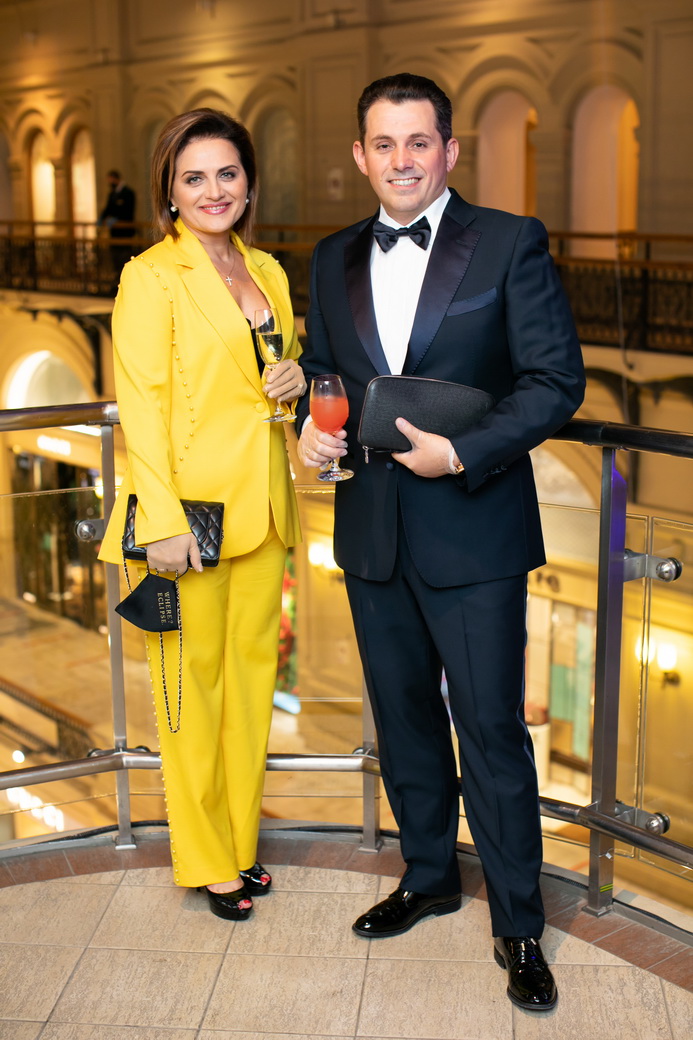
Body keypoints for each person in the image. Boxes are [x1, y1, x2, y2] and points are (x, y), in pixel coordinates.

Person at [296, 73, 585, 1010]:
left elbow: (554, 381)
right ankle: (427, 876)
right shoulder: (330, 256)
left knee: (491, 731)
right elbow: (325, 372)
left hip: (475, 530)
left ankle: (517, 924)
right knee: (405, 719)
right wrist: (310, 426)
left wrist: (461, 452)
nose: (401, 161)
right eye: (383, 144)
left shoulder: (508, 240)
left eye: (418, 142)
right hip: (371, 531)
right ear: (360, 156)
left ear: (449, 151)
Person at [99, 108, 306, 920]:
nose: (213, 189)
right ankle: (205, 856)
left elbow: (270, 379)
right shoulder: (151, 276)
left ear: (248, 183)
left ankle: (239, 842)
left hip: (264, 511)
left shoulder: (268, 270)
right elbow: (141, 405)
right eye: (194, 177)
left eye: (227, 173)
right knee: (189, 698)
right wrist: (160, 520)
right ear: (170, 192)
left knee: (251, 694)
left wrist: (291, 380)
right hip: (186, 523)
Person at [98, 169, 137, 282]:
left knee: (125, 257)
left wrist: (117, 219)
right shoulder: (112, 194)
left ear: (115, 179)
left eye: (110, 180)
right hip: (114, 232)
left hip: (125, 232)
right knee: (115, 258)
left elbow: (128, 211)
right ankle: (116, 281)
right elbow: (108, 208)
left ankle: (126, 280)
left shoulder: (128, 193)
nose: (109, 182)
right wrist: (101, 219)